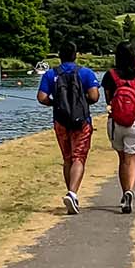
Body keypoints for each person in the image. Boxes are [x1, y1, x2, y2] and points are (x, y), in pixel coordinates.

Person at [37, 40, 101, 215]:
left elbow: (41, 97)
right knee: (79, 156)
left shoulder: (50, 74)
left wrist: (55, 103)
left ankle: (72, 194)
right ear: (76, 54)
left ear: (60, 55)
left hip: (60, 120)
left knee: (67, 158)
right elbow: (95, 96)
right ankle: (72, 193)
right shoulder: (86, 73)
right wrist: (81, 103)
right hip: (82, 121)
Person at [102, 40, 135, 214]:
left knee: (122, 160)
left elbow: (108, 99)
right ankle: (130, 191)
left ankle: (124, 193)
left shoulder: (110, 76)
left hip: (115, 123)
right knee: (132, 160)